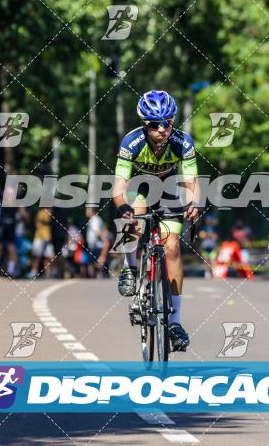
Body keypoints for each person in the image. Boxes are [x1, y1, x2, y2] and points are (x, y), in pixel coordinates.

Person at [112, 90, 199, 352]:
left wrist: (195, 202)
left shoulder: (182, 142)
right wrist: (123, 207)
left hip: (171, 189)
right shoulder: (131, 142)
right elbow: (119, 186)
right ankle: (129, 267)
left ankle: (174, 322)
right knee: (132, 221)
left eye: (167, 123)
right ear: (144, 125)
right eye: (154, 125)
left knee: (172, 247)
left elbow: (191, 181)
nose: (162, 129)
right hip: (139, 188)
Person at [31, 206, 54, 278]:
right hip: (39, 237)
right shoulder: (41, 212)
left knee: (48, 256)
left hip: (48, 237)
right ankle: (34, 272)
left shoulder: (51, 212)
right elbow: (37, 223)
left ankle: (48, 274)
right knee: (37, 256)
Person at [83, 206, 104, 278]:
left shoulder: (95, 220)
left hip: (95, 245)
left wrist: (104, 240)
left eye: (88, 210)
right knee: (93, 262)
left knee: (92, 262)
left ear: (92, 211)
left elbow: (97, 232)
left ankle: (94, 277)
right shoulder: (94, 219)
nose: (86, 211)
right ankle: (96, 276)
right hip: (94, 244)